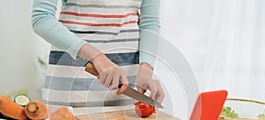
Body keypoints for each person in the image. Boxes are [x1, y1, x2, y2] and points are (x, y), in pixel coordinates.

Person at [32, 0, 165, 107]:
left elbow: (149, 23)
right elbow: (41, 18)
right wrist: (96, 56)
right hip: (72, 85)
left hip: (124, 86)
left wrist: (146, 68)